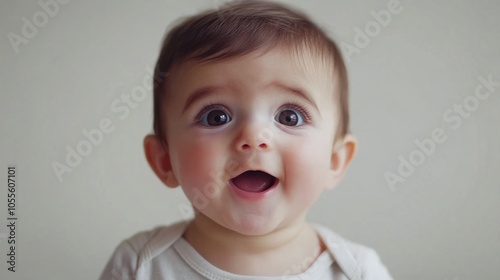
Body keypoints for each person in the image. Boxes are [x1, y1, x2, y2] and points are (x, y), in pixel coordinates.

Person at [100, 1, 392, 279]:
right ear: (164, 160)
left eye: (290, 117)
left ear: (334, 160)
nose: (254, 137)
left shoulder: (358, 271)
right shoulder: (139, 266)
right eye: (216, 117)